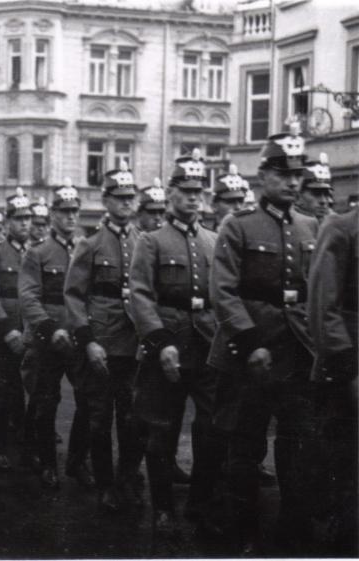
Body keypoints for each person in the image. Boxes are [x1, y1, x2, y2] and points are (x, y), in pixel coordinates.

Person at [208, 128, 320, 555]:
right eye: (284, 174)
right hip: (249, 352)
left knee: (296, 443)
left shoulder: (311, 225)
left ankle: (292, 526)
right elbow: (223, 290)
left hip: (297, 351)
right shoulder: (238, 226)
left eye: (298, 175)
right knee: (245, 444)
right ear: (264, 177)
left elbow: (318, 290)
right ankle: (243, 529)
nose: (294, 182)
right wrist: (250, 338)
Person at [129, 149, 223, 536]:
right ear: (171, 193)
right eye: (186, 190)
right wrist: (160, 339)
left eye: (199, 190)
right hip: (167, 345)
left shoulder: (214, 240)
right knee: (162, 431)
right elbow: (139, 294)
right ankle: (163, 507)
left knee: (212, 429)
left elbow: (223, 294)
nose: (193, 197)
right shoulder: (151, 241)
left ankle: (200, 504)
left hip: (206, 344)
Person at [64, 162, 143, 510]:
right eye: (119, 197)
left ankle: (128, 478)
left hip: (135, 344)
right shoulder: (91, 244)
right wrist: (88, 340)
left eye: (130, 197)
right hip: (102, 343)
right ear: (105, 200)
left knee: (134, 418)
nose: (126, 203)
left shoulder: (145, 242)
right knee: (99, 419)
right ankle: (106, 485)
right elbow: (73, 296)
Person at [18, 179, 81, 489]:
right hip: (47, 336)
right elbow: (28, 297)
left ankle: (78, 462)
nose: (71, 217)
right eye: (65, 211)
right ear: (53, 213)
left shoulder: (86, 248)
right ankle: (46, 462)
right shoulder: (38, 252)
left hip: (79, 334)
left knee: (88, 400)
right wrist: (49, 328)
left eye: (74, 211)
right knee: (46, 401)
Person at [307, 203, 358, 556]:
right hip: (351, 363)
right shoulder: (342, 227)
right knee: (347, 456)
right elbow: (323, 305)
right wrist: (349, 368)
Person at [0, 188, 31, 471]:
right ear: (9, 221)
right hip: (2, 336)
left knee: (32, 393)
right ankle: (0, 448)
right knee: (1, 393)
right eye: (19, 218)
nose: (25, 223)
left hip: (31, 333)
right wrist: (8, 330)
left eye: (27, 218)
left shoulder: (37, 251)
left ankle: (27, 445)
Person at [294, 152, 334, 223]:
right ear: (297, 196)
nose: (323, 201)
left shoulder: (336, 224)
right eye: (316, 193)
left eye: (326, 194)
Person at [211, 165, 247, 229]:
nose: (238, 207)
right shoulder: (206, 237)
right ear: (214, 206)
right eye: (230, 201)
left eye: (241, 201)